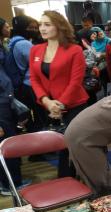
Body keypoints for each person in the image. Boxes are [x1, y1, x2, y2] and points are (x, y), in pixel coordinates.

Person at [30, 10, 88, 177]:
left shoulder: (74, 50)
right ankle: (68, 182)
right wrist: (47, 101)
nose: (42, 28)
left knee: (72, 146)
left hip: (75, 105)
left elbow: (76, 81)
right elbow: (34, 78)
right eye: (40, 24)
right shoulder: (36, 50)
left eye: (47, 24)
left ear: (60, 26)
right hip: (49, 105)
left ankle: (71, 181)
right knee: (60, 145)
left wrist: (60, 104)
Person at [9, 15, 47, 133]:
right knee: (41, 115)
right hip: (30, 83)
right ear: (23, 27)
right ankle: (44, 141)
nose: (35, 30)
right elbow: (39, 62)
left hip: (24, 84)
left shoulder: (13, 41)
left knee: (33, 114)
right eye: (31, 27)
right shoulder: (24, 44)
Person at [0, 18, 23, 196]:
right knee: (5, 142)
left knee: (11, 139)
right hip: (1, 104)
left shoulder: (4, 45)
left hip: (7, 99)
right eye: (6, 25)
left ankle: (13, 181)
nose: (9, 27)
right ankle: (8, 184)